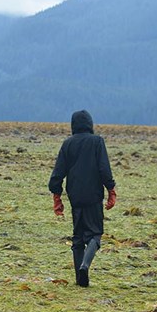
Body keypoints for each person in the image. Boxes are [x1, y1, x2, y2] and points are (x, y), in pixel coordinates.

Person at [48, 110, 116, 287]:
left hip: (75, 196)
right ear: (90, 124)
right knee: (95, 234)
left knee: (78, 238)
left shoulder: (67, 144)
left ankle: (80, 280)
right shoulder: (97, 142)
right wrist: (111, 189)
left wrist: (57, 196)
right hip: (93, 195)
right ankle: (85, 266)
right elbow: (104, 168)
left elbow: (58, 173)